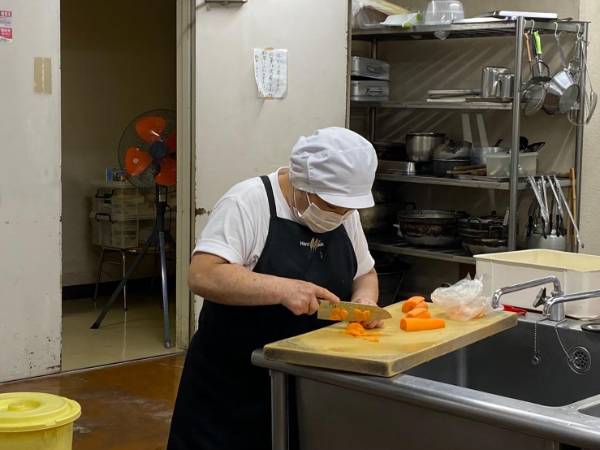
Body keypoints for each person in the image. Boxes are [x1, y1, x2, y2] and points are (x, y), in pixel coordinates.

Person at [167, 127, 381, 450]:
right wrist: (282, 290)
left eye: (347, 208)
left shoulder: (342, 216)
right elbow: (202, 275)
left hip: (304, 389)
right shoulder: (248, 203)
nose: (341, 215)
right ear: (304, 184)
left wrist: (364, 300)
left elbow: (366, 273)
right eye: (334, 205)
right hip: (229, 394)